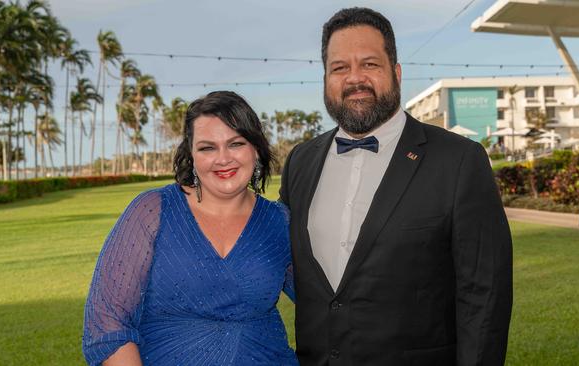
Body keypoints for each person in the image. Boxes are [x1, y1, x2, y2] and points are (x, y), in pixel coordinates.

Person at [279, 7, 513, 365]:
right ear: (325, 78)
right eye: (340, 67)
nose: (354, 78)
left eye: (370, 64)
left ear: (397, 73)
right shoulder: (300, 161)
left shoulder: (459, 160)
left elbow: (485, 294)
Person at [82, 91, 297, 366]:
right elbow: (108, 322)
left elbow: (323, 301)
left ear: (255, 148)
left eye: (236, 143)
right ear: (192, 155)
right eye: (207, 147)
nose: (223, 159)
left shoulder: (279, 222)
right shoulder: (152, 211)